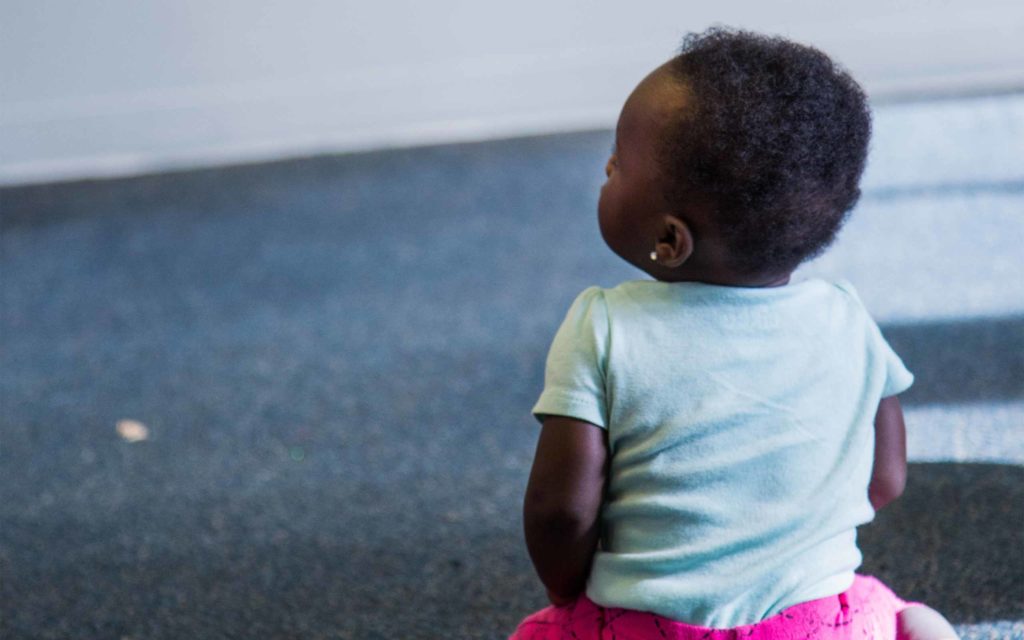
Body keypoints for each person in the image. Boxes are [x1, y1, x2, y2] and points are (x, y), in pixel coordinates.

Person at [511, 27, 959, 640]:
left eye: (617, 163)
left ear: (669, 241)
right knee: (895, 612)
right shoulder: (845, 316)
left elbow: (559, 510)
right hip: (809, 622)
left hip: (646, 625)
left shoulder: (602, 326)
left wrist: (567, 591)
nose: (607, 168)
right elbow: (885, 479)